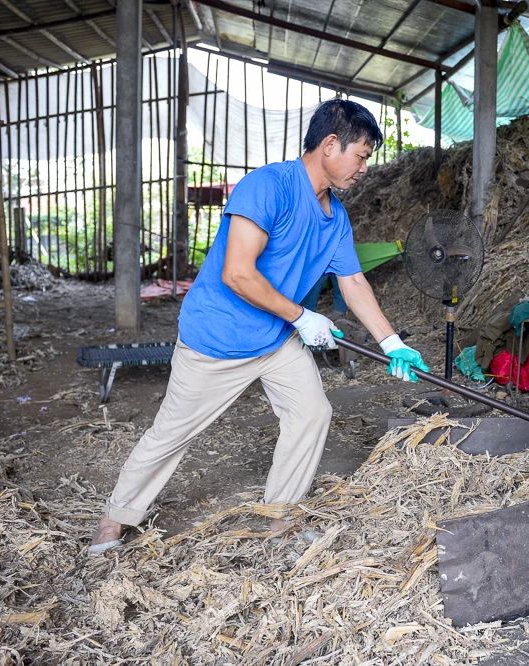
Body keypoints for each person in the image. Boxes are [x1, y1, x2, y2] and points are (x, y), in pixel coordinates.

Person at [89, 100, 428, 553]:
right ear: (331, 145)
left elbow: (352, 280)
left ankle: (280, 519)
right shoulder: (268, 187)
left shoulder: (336, 217)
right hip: (218, 339)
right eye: (362, 156)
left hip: (275, 340)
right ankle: (115, 519)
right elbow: (238, 273)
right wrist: (302, 316)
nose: (364, 168)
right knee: (172, 433)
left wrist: (392, 342)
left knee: (312, 413)